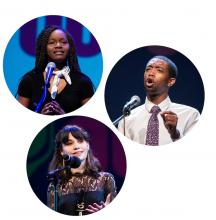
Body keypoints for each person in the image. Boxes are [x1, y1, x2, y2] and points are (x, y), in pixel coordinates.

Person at [118, 55, 200, 145]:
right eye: (148, 69)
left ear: (170, 81)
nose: (151, 73)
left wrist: (175, 135)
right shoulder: (127, 119)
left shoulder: (190, 115)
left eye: (159, 70)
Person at [17, 25, 94, 114]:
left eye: (63, 42)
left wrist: (63, 116)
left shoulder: (82, 81)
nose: (58, 45)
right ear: (44, 48)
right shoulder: (30, 80)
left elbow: (88, 119)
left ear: (70, 47)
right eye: (52, 42)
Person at [47, 125, 117, 215]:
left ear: (87, 145)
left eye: (80, 141)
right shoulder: (56, 183)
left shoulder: (106, 179)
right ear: (61, 151)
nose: (76, 146)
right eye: (69, 143)